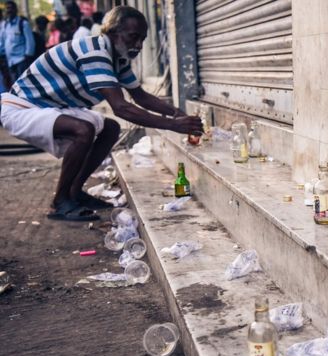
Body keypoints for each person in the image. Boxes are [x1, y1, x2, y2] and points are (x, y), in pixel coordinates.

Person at [0, 6, 203, 221]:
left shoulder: (118, 58)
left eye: (142, 39)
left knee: (110, 128)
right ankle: (60, 202)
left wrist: (178, 114)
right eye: (133, 37)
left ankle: (75, 193)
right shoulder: (95, 50)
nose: (139, 45)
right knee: (83, 130)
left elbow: (141, 97)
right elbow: (121, 107)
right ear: (113, 33)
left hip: (49, 107)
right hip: (20, 108)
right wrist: (173, 125)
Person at [0, 1, 35, 84]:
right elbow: (2, 41)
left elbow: (30, 41)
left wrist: (27, 56)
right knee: (15, 85)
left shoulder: (23, 23)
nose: (9, 10)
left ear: (16, 10)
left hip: (21, 60)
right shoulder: (4, 25)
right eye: (7, 8)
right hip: (10, 61)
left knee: (24, 84)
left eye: (11, 8)